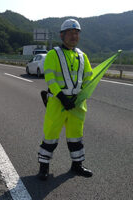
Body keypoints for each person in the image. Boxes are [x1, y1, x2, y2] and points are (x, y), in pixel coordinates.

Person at [37, 19, 93, 180]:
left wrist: (83, 94)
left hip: (77, 105)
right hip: (57, 103)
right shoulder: (53, 54)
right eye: (70, 33)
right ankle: (43, 167)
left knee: (76, 137)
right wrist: (62, 97)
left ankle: (77, 165)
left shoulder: (82, 56)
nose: (74, 36)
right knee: (50, 136)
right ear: (62, 35)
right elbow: (50, 78)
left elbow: (89, 78)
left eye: (76, 33)